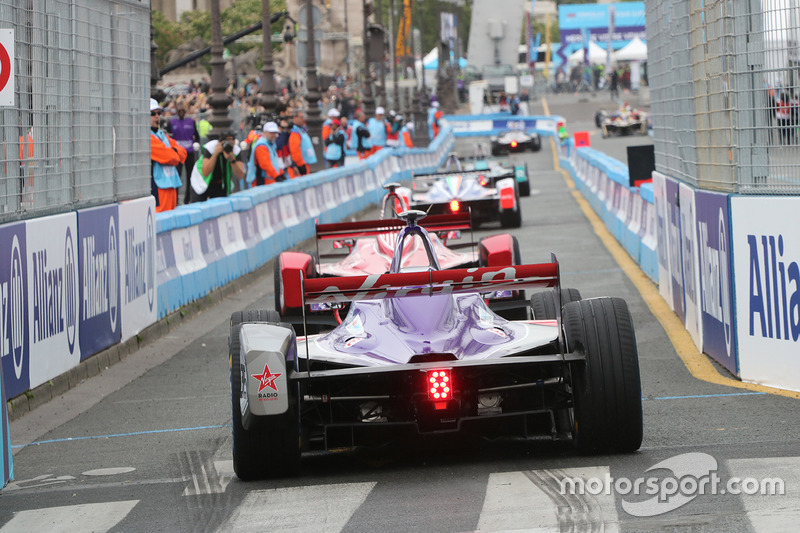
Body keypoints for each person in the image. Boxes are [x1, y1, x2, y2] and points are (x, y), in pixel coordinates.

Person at [150, 98, 186, 213]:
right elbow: (170, 157)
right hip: (158, 190)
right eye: (153, 113)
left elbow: (183, 153)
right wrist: (173, 152)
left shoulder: (162, 135)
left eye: (158, 113)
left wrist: (171, 152)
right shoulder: (147, 138)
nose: (157, 116)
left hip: (171, 186)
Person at [191, 131, 245, 202]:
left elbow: (240, 175)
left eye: (232, 140)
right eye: (228, 140)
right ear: (220, 142)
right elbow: (205, 172)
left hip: (219, 182)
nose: (230, 142)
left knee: (221, 205)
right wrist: (215, 154)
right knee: (199, 205)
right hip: (201, 181)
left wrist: (232, 159)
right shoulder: (211, 147)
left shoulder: (235, 150)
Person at [167, 103, 200, 205]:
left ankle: (188, 199)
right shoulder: (172, 122)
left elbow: (197, 135)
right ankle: (175, 200)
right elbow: (168, 137)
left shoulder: (191, 122)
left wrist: (196, 144)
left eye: (182, 111)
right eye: (179, 111)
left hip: (189, 152)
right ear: (176, 112)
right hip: (178, 154)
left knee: (190, 176)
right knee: (177, 176)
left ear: (185, 112)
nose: (181, 113)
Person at [247, 122, 284, 187]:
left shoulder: (270, 144)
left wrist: (280, 173)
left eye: (275, 133)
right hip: (262, 181)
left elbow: (274, 162)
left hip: (269, 179)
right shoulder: (261, 146)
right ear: (264, 132)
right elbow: (265, 164)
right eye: (271, 133)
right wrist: (276, 175)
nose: (273, 135)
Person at [288, 109, 317, 176]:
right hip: (300, 167)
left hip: (304, 163)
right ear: (294, 118)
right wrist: (301, 165)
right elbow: (295, 151)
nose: (303, 119)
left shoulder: (300, 130)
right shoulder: (295, 132)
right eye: (301, 117)